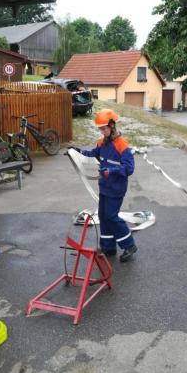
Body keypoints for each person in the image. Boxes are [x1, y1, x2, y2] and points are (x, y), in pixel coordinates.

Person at [68, 109, 138, 262]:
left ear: (112, 126)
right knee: (103, 216)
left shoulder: (122, 145)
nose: (101, 131)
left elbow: (129, 168)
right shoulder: (102, 143)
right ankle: (108, 248)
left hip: (116, 189)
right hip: (105, 187)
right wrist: (77, 151)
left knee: (111, 216)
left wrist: (112, 171)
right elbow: (93, 153)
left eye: (103, 128)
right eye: (100, 128)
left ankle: (129, 245)